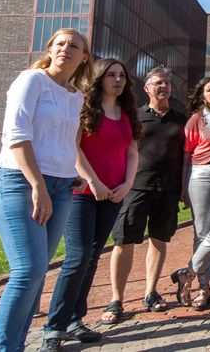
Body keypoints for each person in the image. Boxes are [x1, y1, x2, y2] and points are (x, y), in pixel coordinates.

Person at [0, 28, 93, 352]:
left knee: (36, 277)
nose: (66, 49)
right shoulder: (31, 80)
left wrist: (71, 174)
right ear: (50, 48)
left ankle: (17, 346)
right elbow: (16, 136)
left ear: (84, 57)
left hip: (62, 187)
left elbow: (67, 143)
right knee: (28, 270)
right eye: (60, 43)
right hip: (20, 181)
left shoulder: (77, 97)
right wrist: (38, 184)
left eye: (74, 46)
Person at [40, 59, 141, 351]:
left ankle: (74, 320)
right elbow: (74, 149)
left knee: (93, 256)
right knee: (78, 257)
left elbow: (133, 152)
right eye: (111, 75)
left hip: (113, 194)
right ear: (99, 78)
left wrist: (127, 184)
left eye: (122, 76)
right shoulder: (83, 107)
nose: (118, 80)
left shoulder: (126, 112)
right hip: (82, 193)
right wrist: (93, 181)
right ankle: (53, 328)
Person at [104, 67, 186, 320]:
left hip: (168, 189)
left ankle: (151, 292)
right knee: (123, 242)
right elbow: (120, 151)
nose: (164, 87)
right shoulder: (134, 116)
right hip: (136, 187)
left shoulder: (181, 120)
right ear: (147, 88)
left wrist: (183, 188)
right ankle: (116, 299)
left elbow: (186, 158)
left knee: (159, 241)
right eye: (158, 83)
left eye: (167, 83)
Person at [170, 76, 210, 310]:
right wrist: (182, 187)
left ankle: (187, 273)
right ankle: (204, 287)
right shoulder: (196, 120)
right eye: (209, 89)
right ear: (202, 96)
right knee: (202, 231)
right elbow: (187, 155)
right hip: (202, 174)